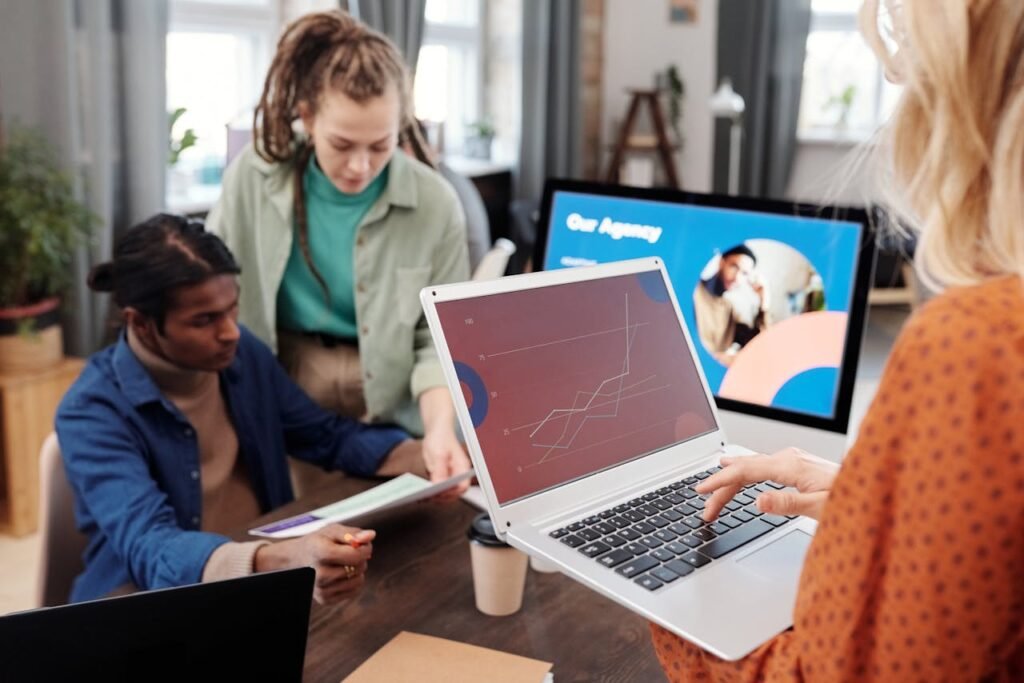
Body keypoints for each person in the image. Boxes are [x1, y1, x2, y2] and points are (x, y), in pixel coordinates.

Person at [653, 0, 1024, 679]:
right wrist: (869, 497)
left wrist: (660, 599)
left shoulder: (975, 345)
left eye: (910, 67)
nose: (897, 95)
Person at [56, 215, 427, 604]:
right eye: (204, 320)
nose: (230, 331)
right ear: (142, 325)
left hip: (258, 571)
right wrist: (283, 558)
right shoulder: (90, 412)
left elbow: (324, 435)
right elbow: (152, 546)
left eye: (232, 309)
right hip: (148, 602)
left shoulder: (241, 354)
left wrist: (421, 457)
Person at [206, 10, 471, 495]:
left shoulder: (435, 204)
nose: (360, 166)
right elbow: (214, 295)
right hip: (291, 387)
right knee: (307, 536)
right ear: (306, 117)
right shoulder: (252, 178)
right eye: (342, 143)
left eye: (381, 145)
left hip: (399, 398)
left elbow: (439, 344)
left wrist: (438, 431)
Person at [692, 244, 770, 365]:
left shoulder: (728, 308)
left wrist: (764, 302)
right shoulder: (694, 293)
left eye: (744, 273)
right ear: (721, 262)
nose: (737, 277)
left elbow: (758, 343)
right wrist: (718, 358)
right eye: (734, 267)